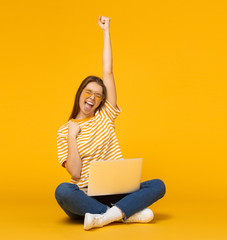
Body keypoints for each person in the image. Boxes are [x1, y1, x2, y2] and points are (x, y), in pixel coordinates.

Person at [55, 16, 166, 230]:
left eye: (98, 95)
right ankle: (125, 212)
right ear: (80, 94)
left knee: (158, 185)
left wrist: (106, 32)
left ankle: (105, 217)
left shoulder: (105, 115)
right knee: (63, 191)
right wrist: (71, 135)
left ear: (101, 101)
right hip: (86, 195)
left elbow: (108, 71)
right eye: (88, 92)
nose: (92, 97)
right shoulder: (63, 131)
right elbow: (75, 174)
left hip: (118, 190)